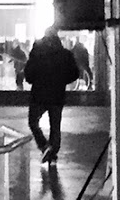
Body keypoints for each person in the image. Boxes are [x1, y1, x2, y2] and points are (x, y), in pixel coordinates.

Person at [21, 25, 81, 166]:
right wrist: (61, 81)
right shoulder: (65, 54)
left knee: (33, 122)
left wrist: (36, 79)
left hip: (39, 94)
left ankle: (44, 146)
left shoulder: (36, 53)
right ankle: (52, 152)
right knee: (55, 125)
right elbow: (74, 74)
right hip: (57, 94)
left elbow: (29, 74)